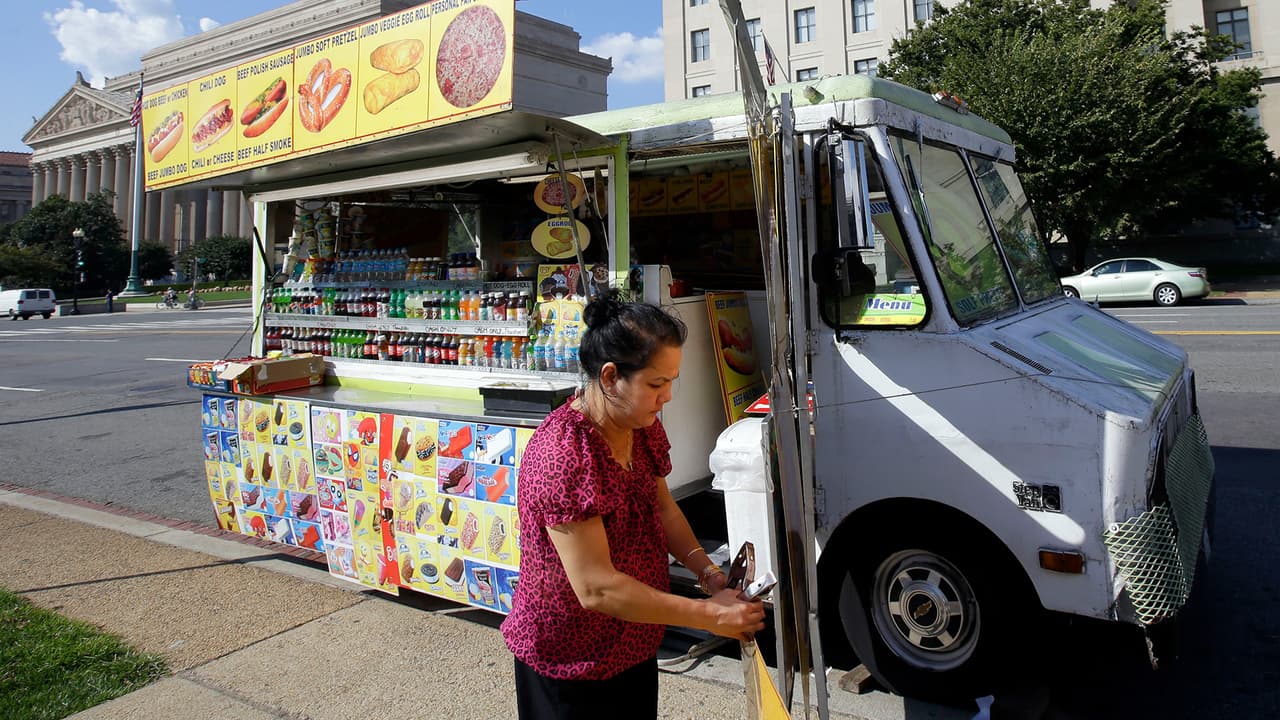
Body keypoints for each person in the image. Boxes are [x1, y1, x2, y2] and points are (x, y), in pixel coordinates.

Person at [501, 291, 765, 719]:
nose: (668, 397)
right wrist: (706, 617)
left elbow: (663, 510)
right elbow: (596, 587)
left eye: (671, 382)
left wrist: (709, 574)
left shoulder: (639, 428)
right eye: (657, 384)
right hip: (569, 660)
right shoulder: (564, 453)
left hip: (633, 640)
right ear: (609, 377)